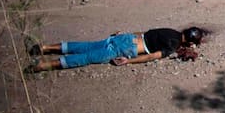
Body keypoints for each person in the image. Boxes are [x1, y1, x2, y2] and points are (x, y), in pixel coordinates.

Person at [28, 26, 207, 72]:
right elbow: (151, 56)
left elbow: (145, 33)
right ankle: (42, 67)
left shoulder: (170, 31)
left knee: (84, 45)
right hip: (129, 48)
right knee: (87, 57)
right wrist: (129, 60)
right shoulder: (173, 45)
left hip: (128, 38)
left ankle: (45, 47)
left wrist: (122, 34)